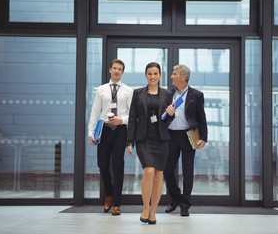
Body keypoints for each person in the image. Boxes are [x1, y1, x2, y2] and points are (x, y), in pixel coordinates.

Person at [126, 62, 175, 225]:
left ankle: (153, 211)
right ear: (146, 75)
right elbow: (132, 118)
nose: (152, 77)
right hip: (143, 139)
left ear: (160, 75)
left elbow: (167, 120)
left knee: (159, 174)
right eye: (150, 74)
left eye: (155, 74)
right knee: (148, 171)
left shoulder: (168, 94)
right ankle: (145, 207)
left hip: (161, 139)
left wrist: (171, 114)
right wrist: (129, 141)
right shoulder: (138, 94)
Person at [88, 59, 133, 216]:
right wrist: (91, 132)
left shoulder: (128, 90)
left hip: (120, 130)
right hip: (105, 130)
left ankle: (116, 204)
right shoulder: (101, 90)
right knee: (103, 164)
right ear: (110, 70)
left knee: (118, 165)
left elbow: (132, 114)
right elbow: (95, 111)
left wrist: (122, 120)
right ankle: (109, 194)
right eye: (114, 68)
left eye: (120, 69)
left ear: (122, 72)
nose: (116, 71)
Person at [163, 64, 208, 217]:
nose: (171, 76)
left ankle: (185, 205)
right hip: (171, 137)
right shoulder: (168, 94)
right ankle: (176, 198)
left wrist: (203, 137)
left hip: (189, 136)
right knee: (168, 171)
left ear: (183, 77)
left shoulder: (196, 95)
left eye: (174, 74)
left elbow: (202, 118)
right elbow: (162, 118)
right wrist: (168, 113)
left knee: (188, 172)